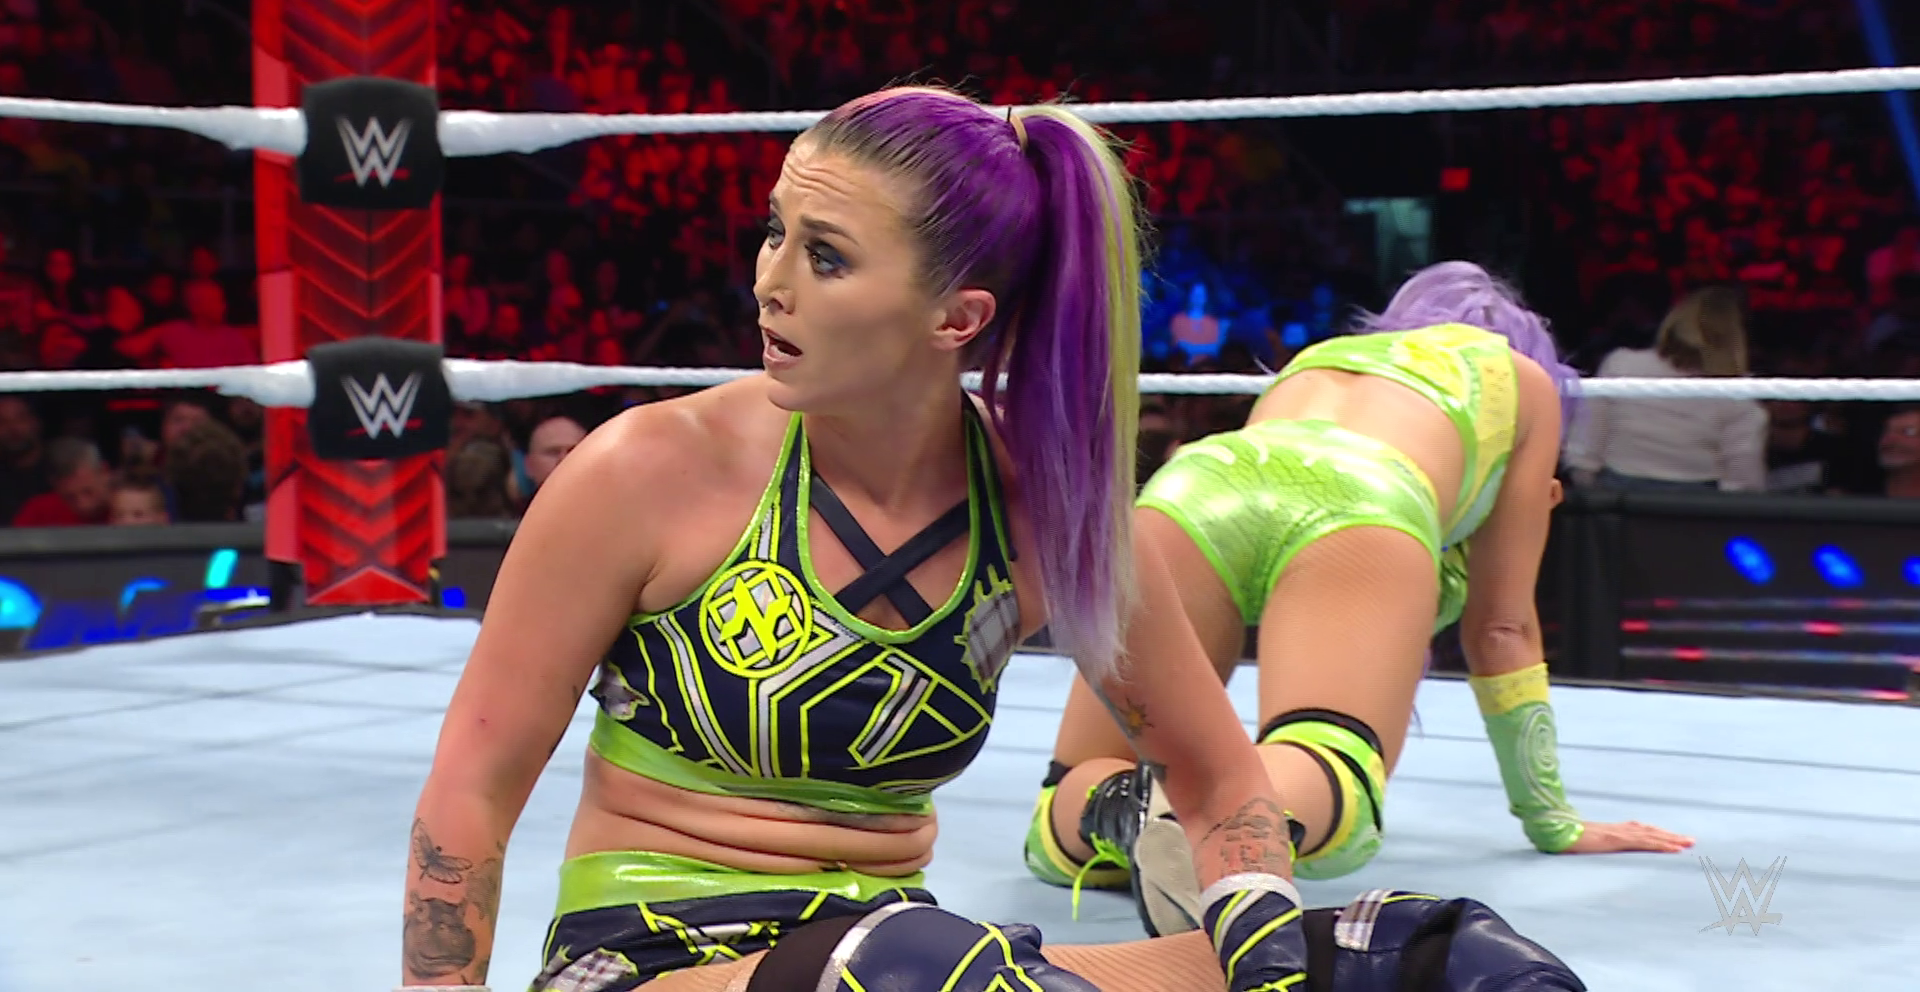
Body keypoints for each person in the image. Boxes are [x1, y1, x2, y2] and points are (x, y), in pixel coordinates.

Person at [401, 94, 1583, 992]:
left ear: (956, 317)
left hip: (913, 958)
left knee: (1433, 954)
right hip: (650, 963)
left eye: (824, 255)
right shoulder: (646, 471)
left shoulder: (1039, 508)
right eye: (774, 234)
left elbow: (1223, 781)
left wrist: (1268, 970)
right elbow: (470, 789)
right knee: (914, 967)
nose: (769, 283)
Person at [1023, 262, 1695, 936]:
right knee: (1335, 774)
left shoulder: (1322, 358)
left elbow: (1267, 503)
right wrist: (1552, 819)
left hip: (1194, 484)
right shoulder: (1521, 381)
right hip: (1361, 498)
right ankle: (1213, 817)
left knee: (1061, 812)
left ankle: (1125, 807)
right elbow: (1502, 628)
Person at [1563, 286, 1767, 492]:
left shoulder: (1621, 363)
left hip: (1623, 497)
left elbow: (1583, 451)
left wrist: (1594, 497)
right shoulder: (1738, 393)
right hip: (1682, 501)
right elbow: (1743, 483)